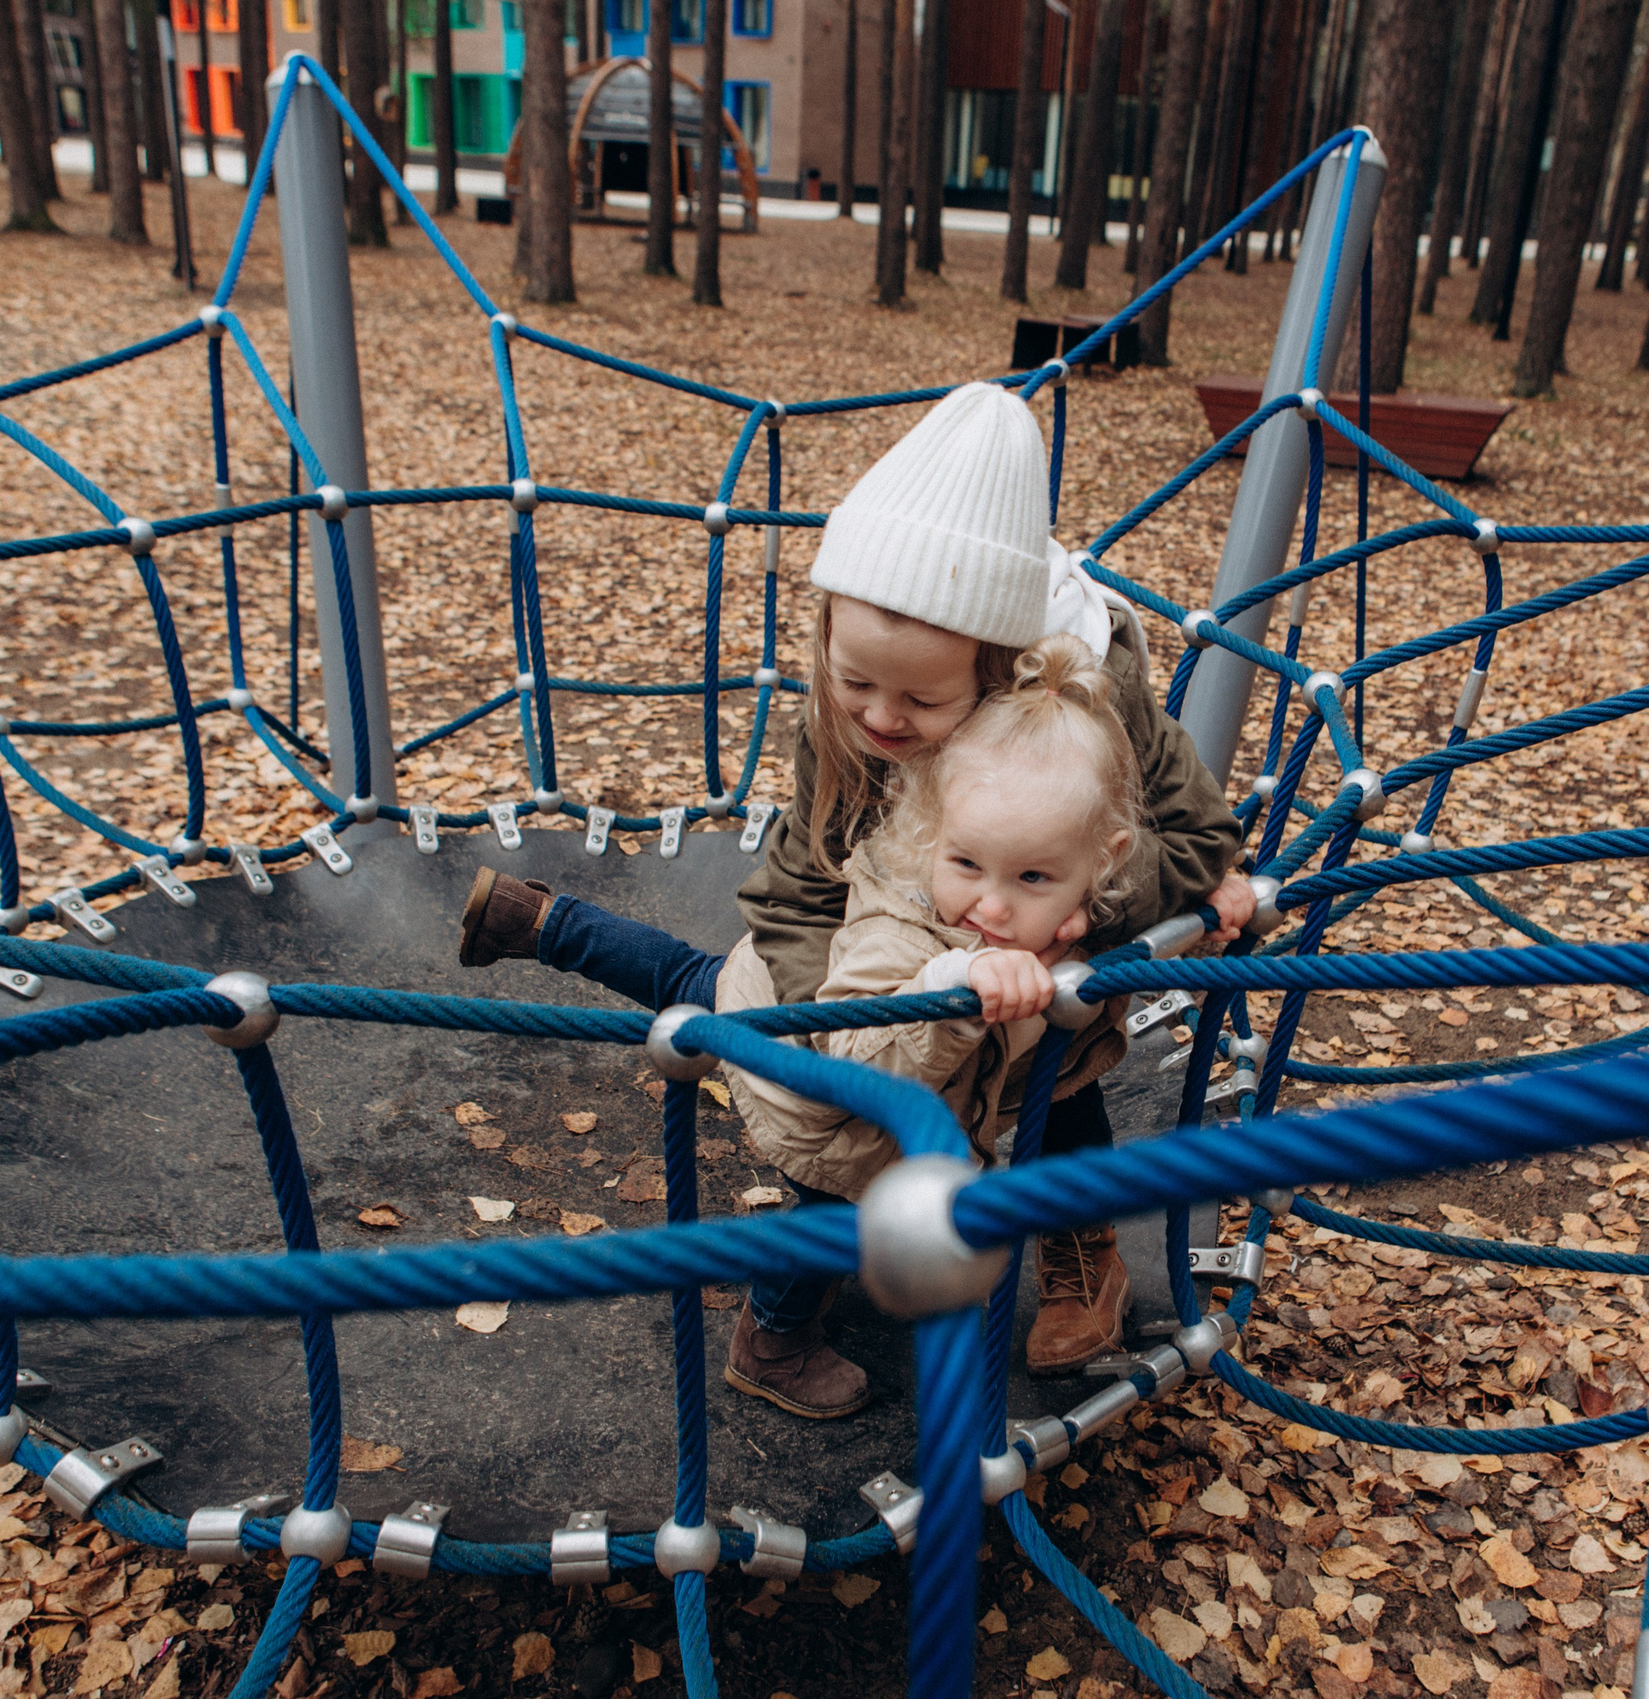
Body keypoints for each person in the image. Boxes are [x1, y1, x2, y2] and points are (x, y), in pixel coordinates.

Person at [459, 380, 1252, 1402]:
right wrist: (831, 1032)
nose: (879, 716)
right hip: (896, 978)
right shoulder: (860, 764)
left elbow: (1182, 816)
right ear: (828, 637)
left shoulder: (1077, 699)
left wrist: (1139, 887)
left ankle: (547, 920)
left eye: (922, 699)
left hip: (1023, 948)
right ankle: (774, 1336)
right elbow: (799, 895)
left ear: (999, 679)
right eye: (854, 682)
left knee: (1055, 1073)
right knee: (830, 1139)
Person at [463, 636, 1158, 1414]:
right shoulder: (907, 938)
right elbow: (860, 1062)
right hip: (822, 1090)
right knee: (837, 1197)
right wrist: (954, 986)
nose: (991, 906)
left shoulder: (1074, 890)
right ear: (932, 831)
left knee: (691, 980)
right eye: (966, 865)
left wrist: (1217, 907)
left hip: (775, 986)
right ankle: (773, 1338)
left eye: (1031, 876)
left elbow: (1163, 879)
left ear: (1101, 862)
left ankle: (540, 920)